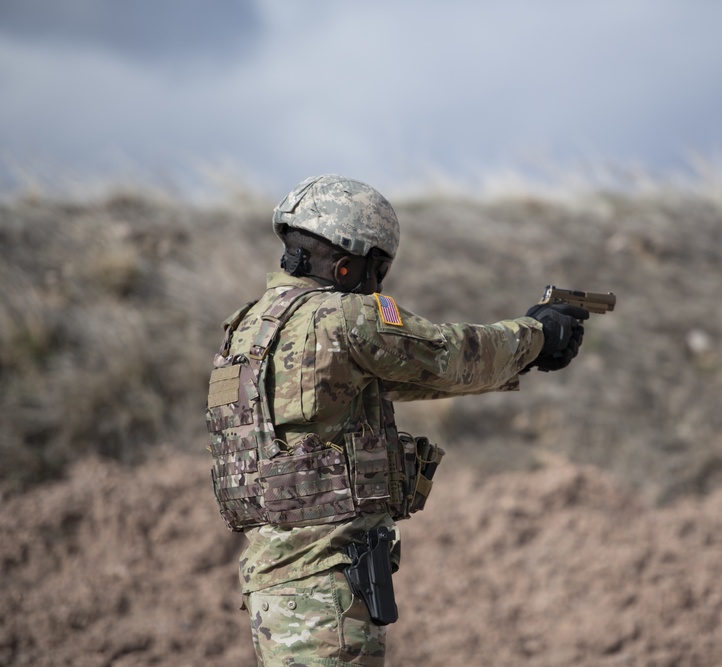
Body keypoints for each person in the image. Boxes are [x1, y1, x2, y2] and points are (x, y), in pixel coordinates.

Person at [205, 174, 588, 666]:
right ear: (347, 267)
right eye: (377, 271)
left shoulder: (246, 330)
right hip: (328, 590)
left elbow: (407, 377)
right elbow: (449, 355)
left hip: (273, 589)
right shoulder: (344, 318)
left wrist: (525, 358)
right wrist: (537, 334)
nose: (378, 286)